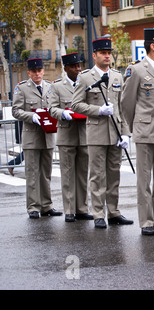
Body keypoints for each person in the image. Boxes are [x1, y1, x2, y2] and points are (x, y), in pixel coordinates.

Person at [71, 38, 133, 229]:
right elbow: (76, 104)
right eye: (103, 53)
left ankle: (113, 212)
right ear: (94, 55)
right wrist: (97, 110)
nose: (107, 56)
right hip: (97, 132)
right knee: (97, 175)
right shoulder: (86, 77)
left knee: (114, 174)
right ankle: (98, 213)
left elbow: (122, 107)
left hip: (115, 132)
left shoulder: (117, 76)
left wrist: (126, 134)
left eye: (109, 53)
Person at [121, 28, 154, 236]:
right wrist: (133, 127)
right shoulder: (136, 70)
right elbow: (126, 103)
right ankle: (146, 221)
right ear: (152, 46)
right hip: (144, 131)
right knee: (144, 179)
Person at [12, 58, 62, 218]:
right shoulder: (22, 89)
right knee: (32, 173)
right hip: (32, 136)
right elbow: (16, 110)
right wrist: (31, 116)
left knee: (46, 173)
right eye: (34, 71)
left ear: (43, 71)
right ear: (29, 73)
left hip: (47, 136)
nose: (37, 74)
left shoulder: (49, 86)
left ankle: (46, 206)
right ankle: (33, 207)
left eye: (39, 71)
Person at [48, 52, 93, 223]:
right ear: (65, 68)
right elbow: (51, 108)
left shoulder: (85, 83)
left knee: (82, 174)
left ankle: (82, 208)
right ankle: (69, 210)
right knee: (67, 174)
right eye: (74, 67)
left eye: (79, 66)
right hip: (66, 135)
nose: (78, 69)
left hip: (84, 134)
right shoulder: (57, 86)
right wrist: (63, 113)